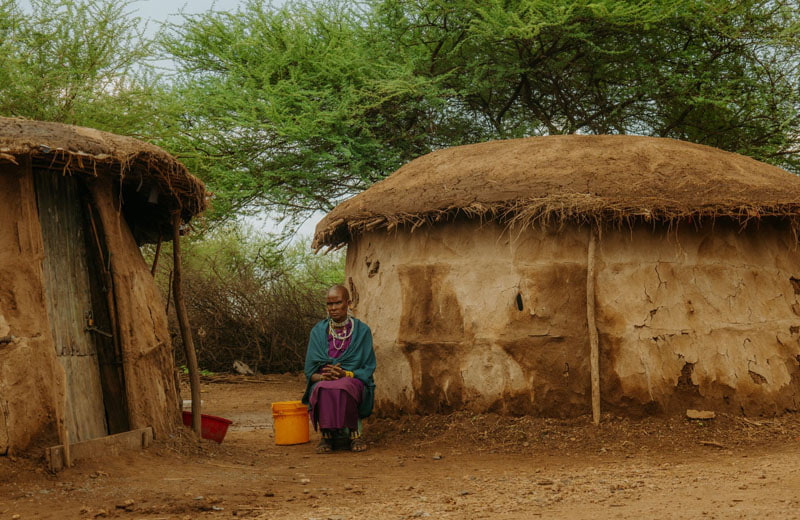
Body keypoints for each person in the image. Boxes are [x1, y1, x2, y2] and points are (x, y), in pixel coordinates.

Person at [301, 285, 376, 453]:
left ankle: (355, 435)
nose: (333, 308)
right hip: (323, 381)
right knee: (322, 389)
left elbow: (368, 367)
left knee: (344, 386)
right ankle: (326, 437)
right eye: (329, 304)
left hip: (353, 379)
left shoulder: (362, 331)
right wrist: (323, 378)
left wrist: (346, 374)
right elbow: (309, 373)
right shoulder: (318, 332)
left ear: (348, 303)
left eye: (337, 303)